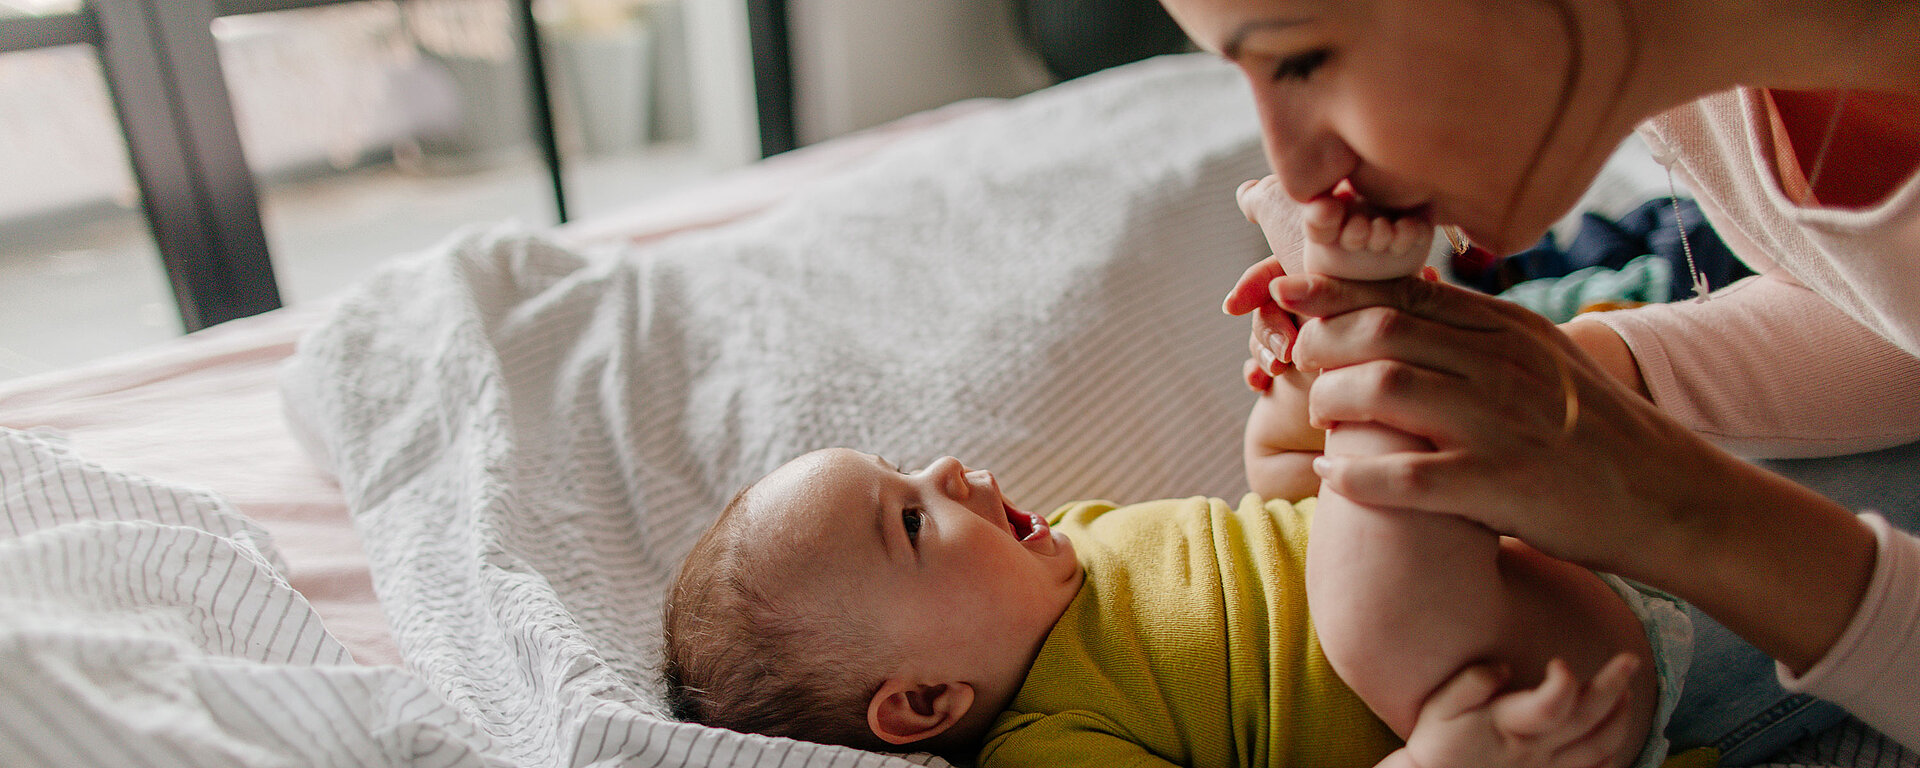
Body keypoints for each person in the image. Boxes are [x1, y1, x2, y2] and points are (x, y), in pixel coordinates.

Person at [658, 203, 1692, 768]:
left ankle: (1355, 353)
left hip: (1567, 564)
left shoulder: (1080, 544)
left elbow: (1273, 521)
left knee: (1307, 470)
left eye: (904, 468)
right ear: (924, 702)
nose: (947, 471)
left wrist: (1288, 401)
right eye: (914, 521)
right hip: (1512, 698)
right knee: (1368, 592)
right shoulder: (1050, 743)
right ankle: (1376, 315)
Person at [1170, 0, 1920, 758]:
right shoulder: (1708, 79)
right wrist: (1575, 376)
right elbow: (1888, 304)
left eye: (1302, 62)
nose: (1296, 165)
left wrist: (1681, 506)